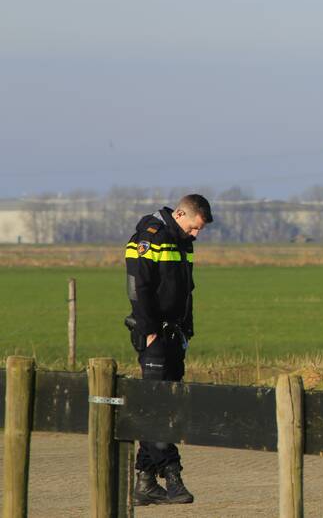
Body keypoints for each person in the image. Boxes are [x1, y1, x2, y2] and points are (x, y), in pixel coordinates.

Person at [124, 194, 213, 506]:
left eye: (199, 230)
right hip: (154, 337)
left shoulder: (182, 243)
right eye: (194, 227)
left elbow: (186, 291)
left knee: (166, 406)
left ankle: (145, 481)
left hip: (175, 337)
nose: (196, 234)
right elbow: (138, 286)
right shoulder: (150, 238)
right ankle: (173, 477)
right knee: (159, 409)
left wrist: (187, 329)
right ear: (179, 214)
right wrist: (148, 331)